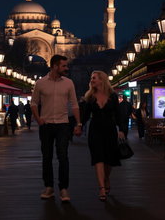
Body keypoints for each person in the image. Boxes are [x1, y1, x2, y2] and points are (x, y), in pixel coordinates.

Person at [31, 54, 81, 203]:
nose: (67, 68)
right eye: (64, 66)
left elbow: (75, 104)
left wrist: (78, 124)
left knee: (63, 156)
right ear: (54, 66)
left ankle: (64, 188)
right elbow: (33, 103)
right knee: (46, 157)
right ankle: (49, 187)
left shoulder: (68, 83)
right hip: (46, 125)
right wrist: (38, 119)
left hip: (63, 124)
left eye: (66, 66)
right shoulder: (40, 83)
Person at [81, 71, 124, 202]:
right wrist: (78, 125)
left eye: (94, 78)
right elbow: (85, 115)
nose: (92, 80)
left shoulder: (113, 96)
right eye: (91, 78)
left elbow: (118, 114)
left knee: (109, 160)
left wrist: (121, 129)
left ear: (102, 80)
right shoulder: (90, 97)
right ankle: (101, 188)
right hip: (95, 131)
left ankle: (106, 178)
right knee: (98, 158)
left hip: (110, 130)